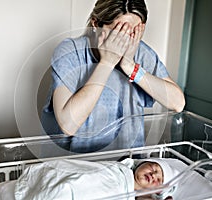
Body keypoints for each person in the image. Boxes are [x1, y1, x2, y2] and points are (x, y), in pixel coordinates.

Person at [41, 0, 185, 152]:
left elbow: (178, 103)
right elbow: (68, 124)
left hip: (125, 163)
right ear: (96, 24)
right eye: (119, 32)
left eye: (133, 33)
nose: (126, 41)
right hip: (76, 163)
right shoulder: (70, 51)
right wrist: (107, 63)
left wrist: (130, 68)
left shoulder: (140, 51)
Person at [14, 158, 181, 200]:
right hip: (87, 178)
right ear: (142, 163)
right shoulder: (120, 170)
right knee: (71, 182)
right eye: (154, 168)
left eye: (159, 179)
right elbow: (84, 170)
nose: (154, 175)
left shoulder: (133, 196)